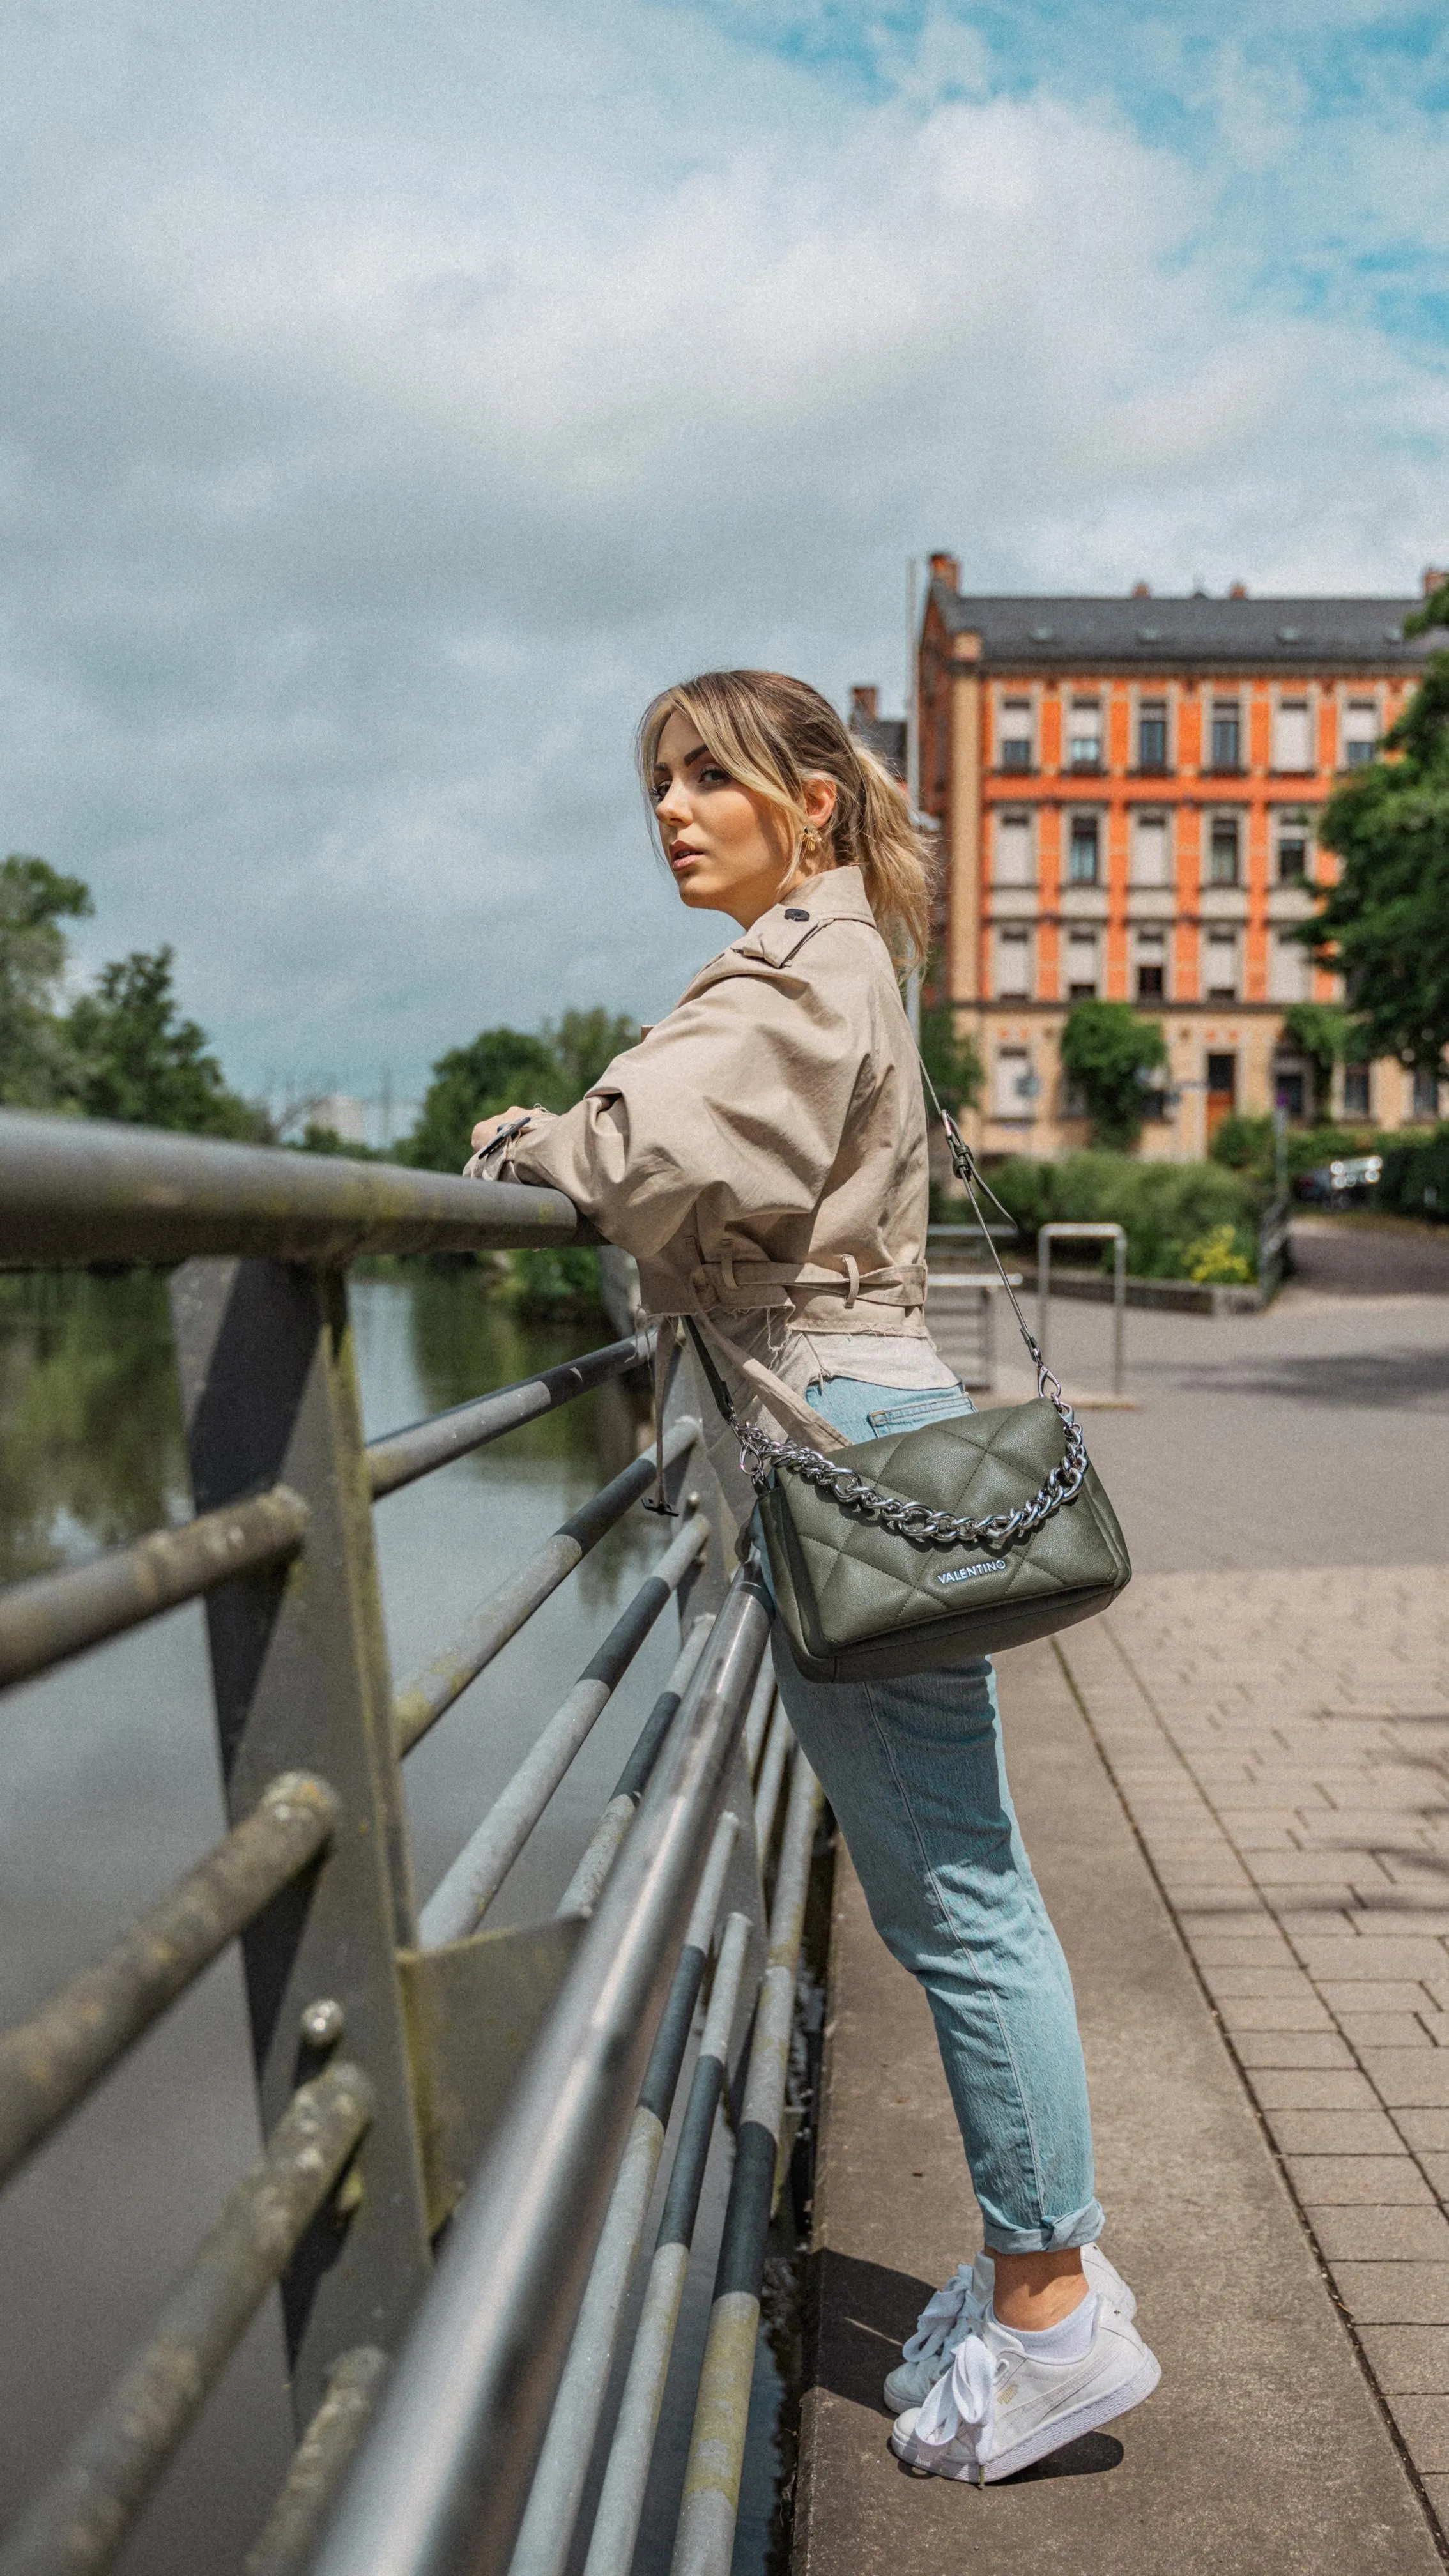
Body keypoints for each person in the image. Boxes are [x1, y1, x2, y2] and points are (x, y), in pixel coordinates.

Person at [467, 668, 1160, 2486]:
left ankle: (1049, 2313)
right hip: (835, 1420)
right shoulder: (834, 959)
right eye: (660, 785)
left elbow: (637, 1153)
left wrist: (526, 1138)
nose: (674, 811)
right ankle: (1048, 2269)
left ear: (816, 805)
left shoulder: (800, 968)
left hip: (831, 1434)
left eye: (713, 777)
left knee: (956, 1899)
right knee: (960, 1882)